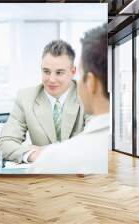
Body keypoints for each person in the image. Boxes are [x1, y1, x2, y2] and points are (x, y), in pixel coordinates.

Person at [30, 24, 109, 174]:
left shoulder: (51, 161)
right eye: (46, 71)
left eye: (80, 74)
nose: (52, 79)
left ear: (91, 82)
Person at [0, 40, 88, 163]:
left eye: (59, 72)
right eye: (46, 71)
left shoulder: (89, 96)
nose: (51, 79)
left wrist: (49, 152)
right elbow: (3, 144)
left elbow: (94, 144)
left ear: (73, 72)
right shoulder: (26, 98)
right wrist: (31, 154)